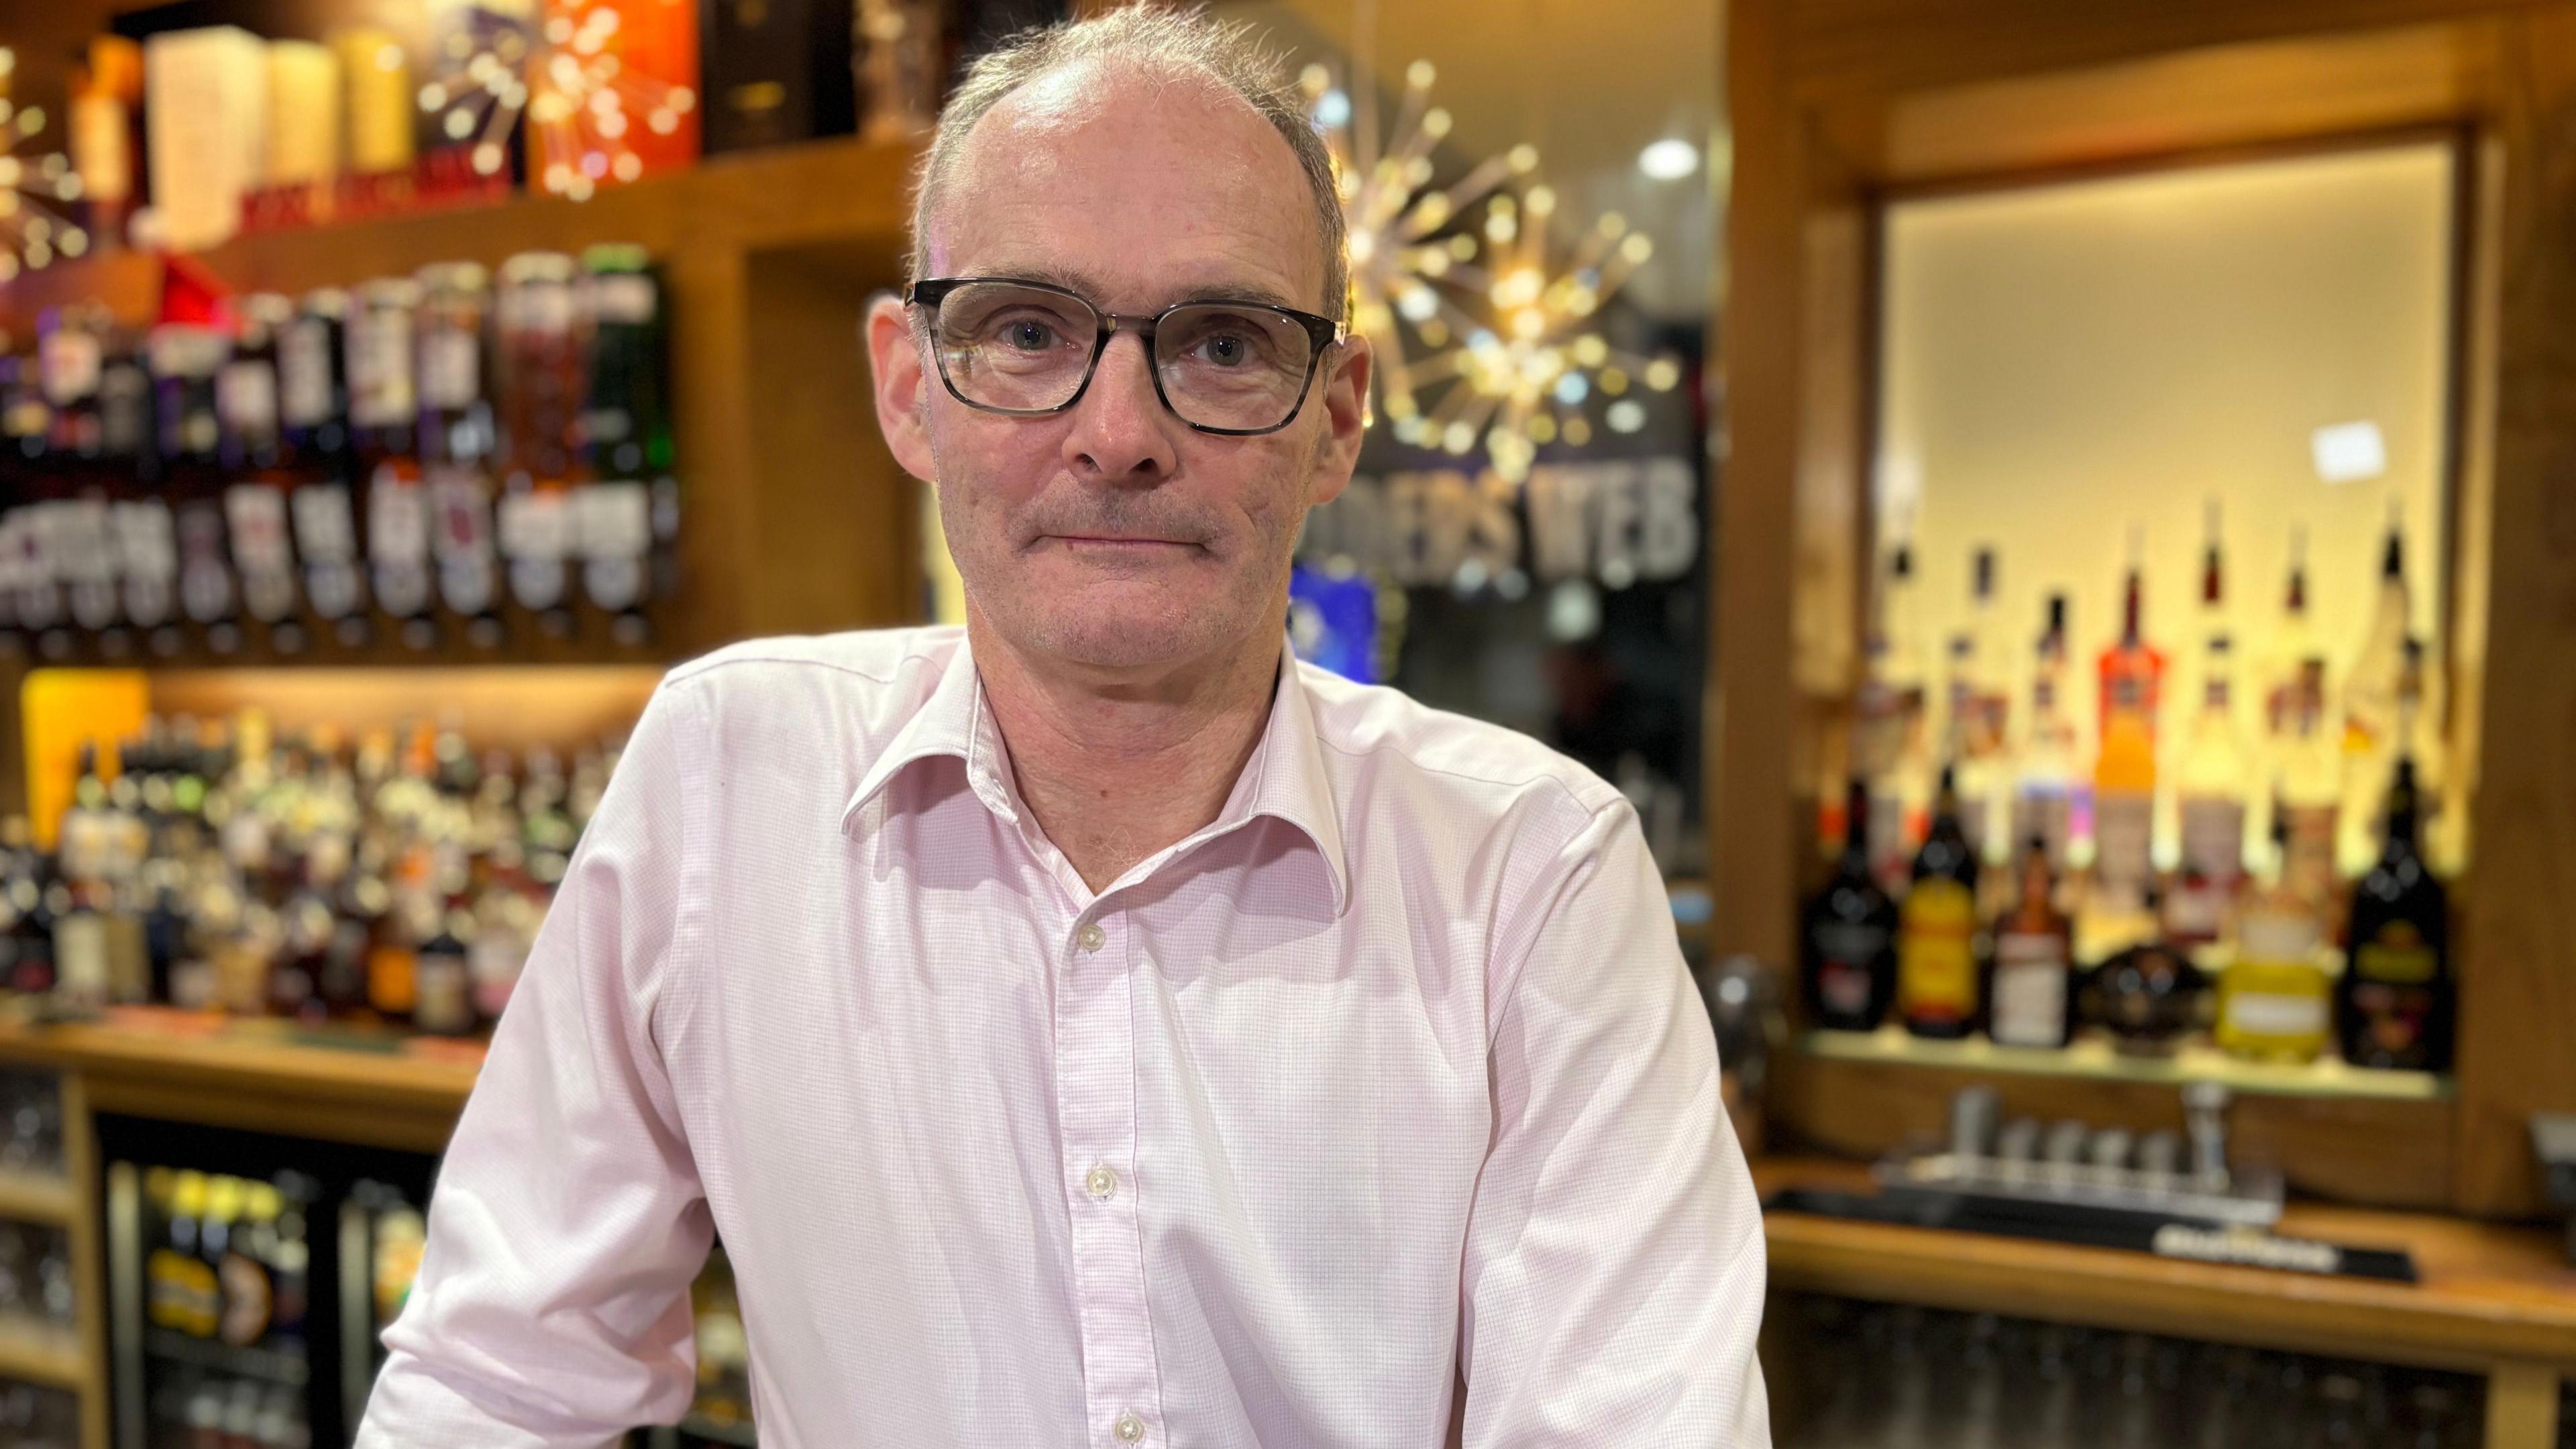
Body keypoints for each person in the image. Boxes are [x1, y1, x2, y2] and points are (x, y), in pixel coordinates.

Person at [356, 9, 1768, 1446]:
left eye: (1223, 343)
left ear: (1336, 420)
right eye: (1027, 332)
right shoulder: (727, 776)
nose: (1120, 433)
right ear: (909, 387)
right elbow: (498, 1384)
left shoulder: (1533, 874)